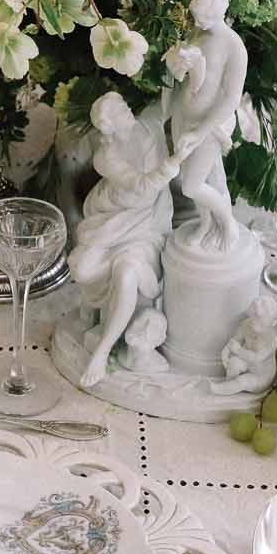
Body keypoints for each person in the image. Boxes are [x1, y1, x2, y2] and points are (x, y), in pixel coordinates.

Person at [69, 93, 191, 387]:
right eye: (120, 110)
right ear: (107, 126)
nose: (127, 111)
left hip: (147, 226)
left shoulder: (148, 126)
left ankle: (103, 350)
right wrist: (174, 161)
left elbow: (171, 99)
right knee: (83, 270)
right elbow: (142, 187)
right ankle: (100, 315)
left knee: (126, 274)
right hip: (114, 221)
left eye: (125, 105)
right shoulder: (105, 157)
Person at [167, 0, 248, 252]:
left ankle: (228, 224)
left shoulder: (234, 46)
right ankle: (205, 224)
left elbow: (230, 98)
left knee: (191, 185)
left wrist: (201, 131)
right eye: (196, 17)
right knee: (209, 178)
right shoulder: (197, 33)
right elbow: (185, 75)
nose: (198, 23)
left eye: (204, 18)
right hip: (184, 114)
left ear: (221, 12)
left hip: (210, 126)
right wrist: (178, 63)